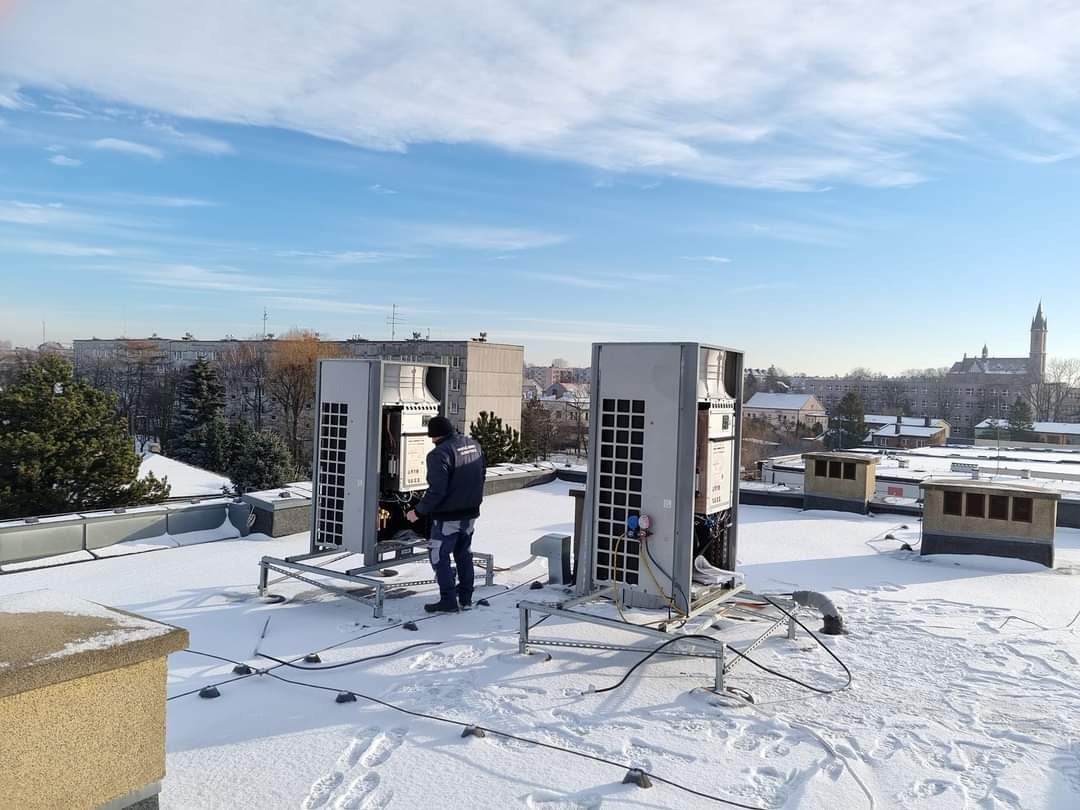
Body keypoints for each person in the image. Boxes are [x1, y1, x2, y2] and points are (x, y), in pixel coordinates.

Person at [407, 415, 486, 613]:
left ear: (434, 436)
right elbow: (482, 474)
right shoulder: (473, 445)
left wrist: (418, 511)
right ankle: (466, 598)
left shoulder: (438, 454)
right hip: (471, 512)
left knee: (439, 556)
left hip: (448, 516)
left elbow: (437, 490)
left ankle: (448, 600)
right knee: (463, 553)